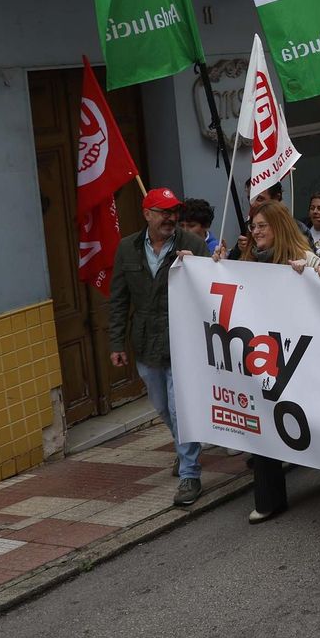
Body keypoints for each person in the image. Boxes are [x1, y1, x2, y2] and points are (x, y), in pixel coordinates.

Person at [207, 200, 320, 522]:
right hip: (262, 357)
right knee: (264, 418)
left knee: (315, 417)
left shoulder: (304, 258)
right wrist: (217, 263)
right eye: (254, 227)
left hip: (301, 356)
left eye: (263, 226)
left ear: (279, 227)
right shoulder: (246, 260)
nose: (257, 232)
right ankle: (269, 499)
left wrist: (314, 275)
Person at [108, 187, 209, 507]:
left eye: (174, 211)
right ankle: (185, 449)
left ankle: (190, 474)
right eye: (163, 212)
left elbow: (211, 289)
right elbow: (118, 299)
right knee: (163, 407)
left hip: (183, 339)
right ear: (147, 214)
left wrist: (197, 268)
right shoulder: (127, 249)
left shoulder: (192, 245)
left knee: (182, 410)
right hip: (146, 340)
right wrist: (116, 341)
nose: (170, 218)